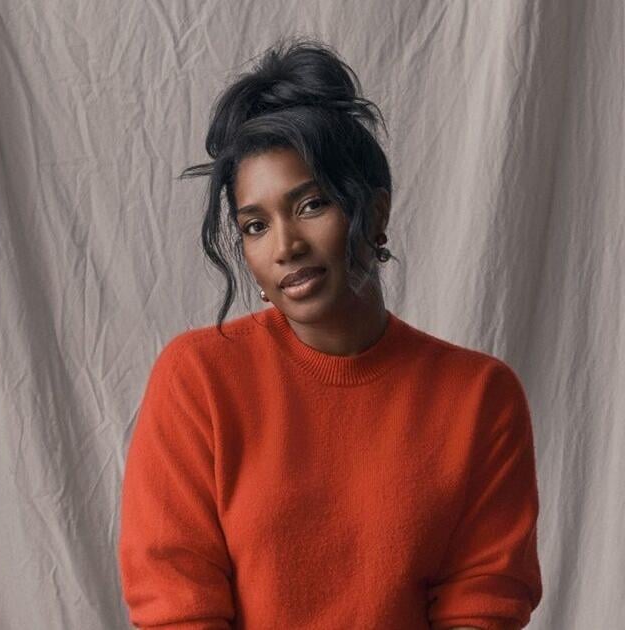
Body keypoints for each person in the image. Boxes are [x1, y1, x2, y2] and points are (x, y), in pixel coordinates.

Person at [117, 36, 542, 629]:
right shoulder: (197, 378)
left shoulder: (479, 397)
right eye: (255, 225)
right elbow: (177, 604)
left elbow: (483, 604)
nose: (285, 246)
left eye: (311, 205)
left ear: (377, 212)